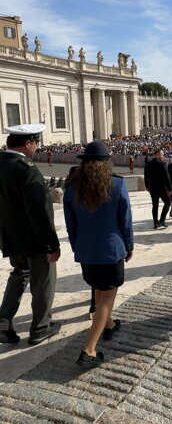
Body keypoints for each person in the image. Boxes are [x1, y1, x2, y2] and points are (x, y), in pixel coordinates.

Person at [63, 141, 133, 367]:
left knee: (98, 289)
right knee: (107, 298)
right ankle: (89, 350)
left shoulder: (72, 189)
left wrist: (77, 246)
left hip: (86, 250)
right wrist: (129, 245)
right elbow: (125, 221)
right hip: (111, 249)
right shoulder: (117, 184)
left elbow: (70, 225)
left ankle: (109, 325)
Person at [0, 124, 61, 345]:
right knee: (43, 281)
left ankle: (3, 323)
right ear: (28, 144)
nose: (36, 148)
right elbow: (40, 212)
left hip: (10, 236)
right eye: (35, 144)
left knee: (19, 275)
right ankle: (41, 327)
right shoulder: (27, 169)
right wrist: (52, 245)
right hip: (34, 240)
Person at [144, 148, 172, 229]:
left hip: (152, 188)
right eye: (162, 154)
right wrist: (170, 188)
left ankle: (155, 223)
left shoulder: (148, 164)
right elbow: (167, 177)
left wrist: (146, 186)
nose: (163, 156)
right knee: (167, 202)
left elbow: (146, 176)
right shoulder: (162, 163)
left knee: (155, 205)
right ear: (158, 154)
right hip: (162, 188)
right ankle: (162, 220)